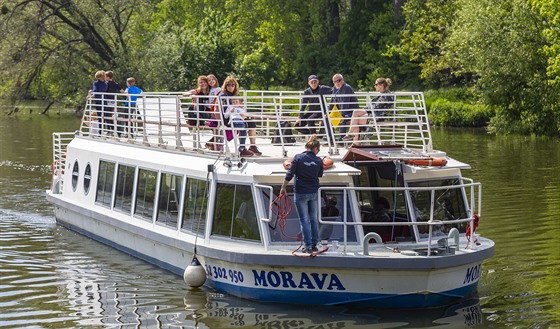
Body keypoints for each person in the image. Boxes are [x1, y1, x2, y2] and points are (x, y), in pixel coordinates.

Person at [279, 135, 324, 254]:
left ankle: (307, 245)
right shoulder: (318, 160)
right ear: (316, 149)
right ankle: (314, 244)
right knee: (314, 219)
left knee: (304, 220)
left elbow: (290, 174)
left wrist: (283, 187)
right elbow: (320, 174)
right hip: (313, 193)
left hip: (300, 193)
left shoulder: (298, 158)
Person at [218, 76, 261, 156]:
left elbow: (241, 106)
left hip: (239, 115)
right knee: (241, 125)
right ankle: (242, 148)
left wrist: (243, 114)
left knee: (252, 124)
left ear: (235, 86)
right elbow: (219, 109)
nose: (230, 87)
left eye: (232, 85)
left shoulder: (237, 94)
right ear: (225, 86)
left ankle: (252, 146)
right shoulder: (223, 95)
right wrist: (220, 120)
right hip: (229, 117)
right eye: (228, 85)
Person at [342, 77, 394, 144]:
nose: (374, 86)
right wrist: (365, 109)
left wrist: (365, 110)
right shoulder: (382, 95)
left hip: (378, 116)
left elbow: (376, 107)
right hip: (374, 114)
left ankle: (353, 140)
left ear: (381, 85)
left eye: (376, 84)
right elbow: (373, 106)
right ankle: (353, 140)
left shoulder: (386, 95)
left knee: (355, 117)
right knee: (355, 118)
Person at [330, 73, 358, 141]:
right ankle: (331, 140)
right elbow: (332, 102)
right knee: (327, 119)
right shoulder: (335, 88)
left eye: (339, 80)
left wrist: (341, 116)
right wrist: (328, 113)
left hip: (351, 112)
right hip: (342, 112)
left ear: (343, 80)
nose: (337, 83)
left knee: (341, 119)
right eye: (335, 81)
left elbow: (345, 104)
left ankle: (341, 141)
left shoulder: (346, 88)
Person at [105, 71, 125, 135]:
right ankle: (115, 130)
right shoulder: (115, 84)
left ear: (108, 77)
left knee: (106, 116)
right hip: (113, 102)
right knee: (109, 116)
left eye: (105, 77)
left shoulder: (106, 83)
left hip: (106, 101)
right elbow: (121, 90)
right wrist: (126, 95)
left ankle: (110, 130)